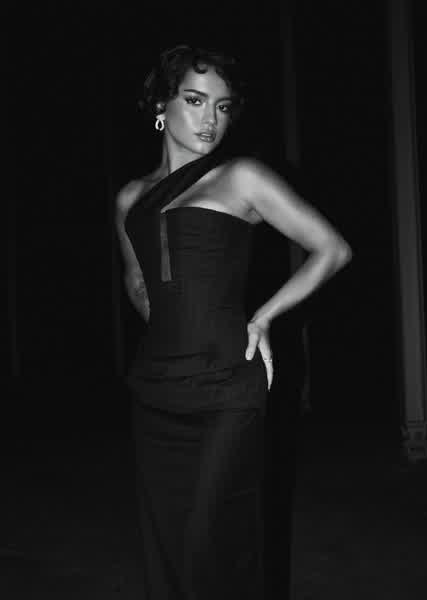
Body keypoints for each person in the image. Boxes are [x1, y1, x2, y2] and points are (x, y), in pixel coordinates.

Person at [115, 44, 351, 600]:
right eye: (195, 100)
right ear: (161, 106)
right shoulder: (131, 197)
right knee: (165, 547)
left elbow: (332, 249)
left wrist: (264, 317)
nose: (210, 120)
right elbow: (137, 279)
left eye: (222, 107)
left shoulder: (241, 177)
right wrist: (169, 324)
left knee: (211, 544)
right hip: (156, 388)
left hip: (226, 385)